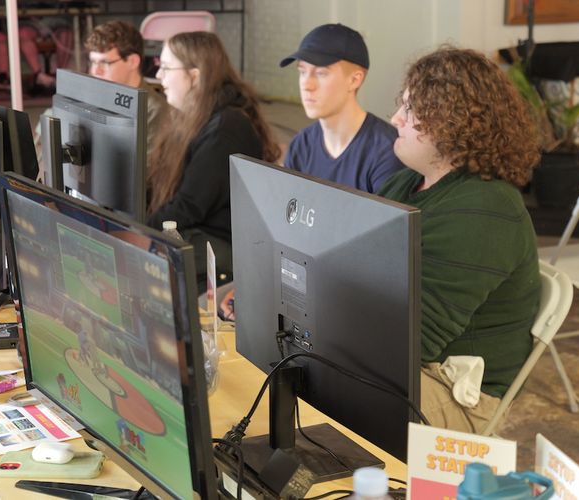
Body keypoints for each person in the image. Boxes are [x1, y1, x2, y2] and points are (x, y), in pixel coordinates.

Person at [378, 47, 542, 433]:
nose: (395, 118)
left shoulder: (485, 209)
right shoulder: (405, 182)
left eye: (411, 110)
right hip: (407, 366)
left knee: (312, 386)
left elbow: (413, 342)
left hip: (456, 393)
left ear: (451, 123)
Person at [147, 31, 280, 288]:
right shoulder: (194, 116)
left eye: (166, 67)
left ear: (195, 76)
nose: (159, 76)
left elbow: (189, 206)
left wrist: (137, 231)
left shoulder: (225, 127)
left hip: (222, 249)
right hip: (201, 235)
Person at [280, 23, 404, 193]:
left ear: (354, 80)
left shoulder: (387, 151)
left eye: (321, 73)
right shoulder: (301, 145)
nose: (307, 85)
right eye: (302, 72)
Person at [84, 20, 167, 150]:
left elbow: (148, 162)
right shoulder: (94, 99)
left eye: (104, 63)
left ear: (132, 62)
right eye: (93, 62)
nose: (95, 71)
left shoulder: (154, 111)